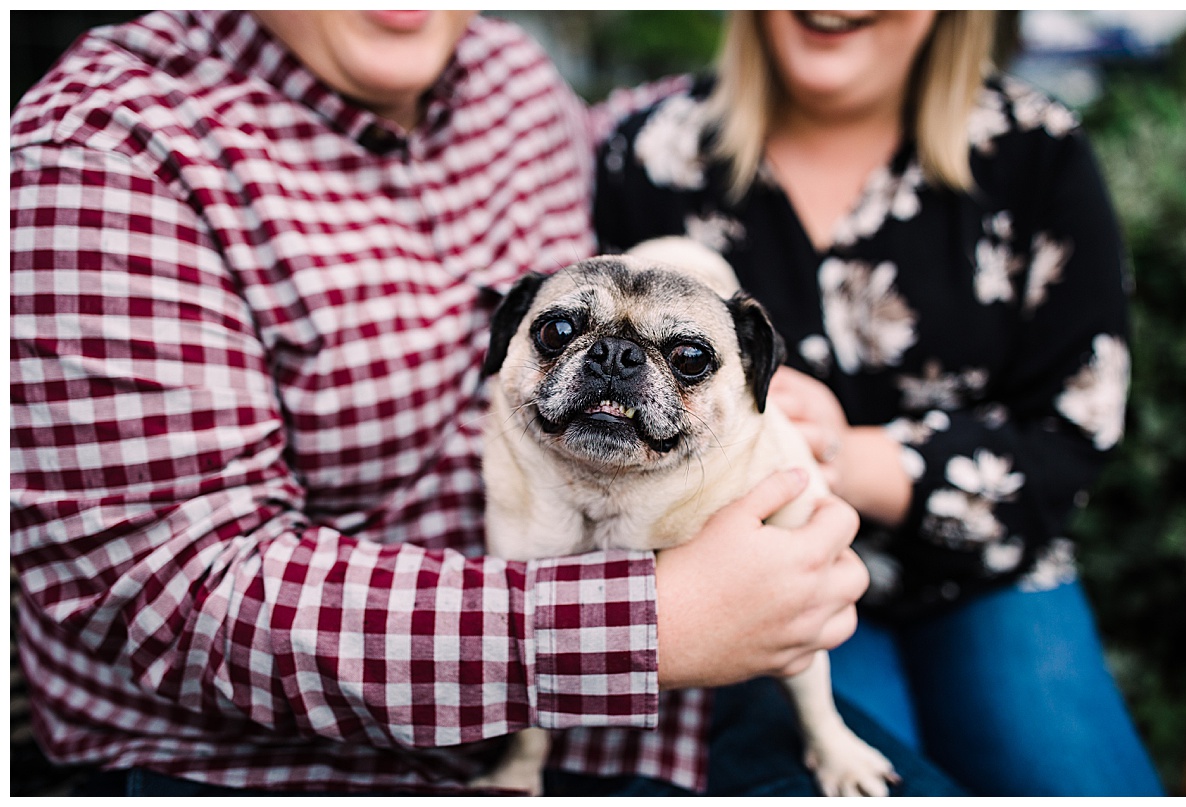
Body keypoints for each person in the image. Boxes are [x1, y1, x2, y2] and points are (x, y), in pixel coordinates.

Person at [10, 10, 963, 797]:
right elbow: (180, 594)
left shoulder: (512, 78)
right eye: (559, 338)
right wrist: (651, 622)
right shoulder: (105, 159)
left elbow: (657, 147)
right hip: (270, 762)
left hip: (659, 702)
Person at [594, 9, 1164, 797]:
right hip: (761, 575)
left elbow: (1075, 425)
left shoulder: (1037, 149)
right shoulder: (651, 153)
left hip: (988, 573)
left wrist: (847, 455)